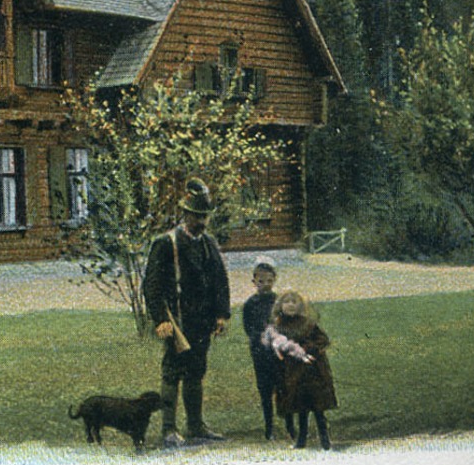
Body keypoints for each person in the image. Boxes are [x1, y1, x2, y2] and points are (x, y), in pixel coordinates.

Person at [144, 178, 232, 448]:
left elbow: (220, 281)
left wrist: (221, 315)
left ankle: (196, 426)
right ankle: (169, 428)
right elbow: (152, 285)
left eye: (205, 216)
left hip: (202, 322)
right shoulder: (166, 243)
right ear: (185, 214)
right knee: (172, 373)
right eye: (197, 216)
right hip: (177, 322)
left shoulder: (208, 244)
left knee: (196, 371)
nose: (202, 221)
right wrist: (160, 320)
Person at [267, 290, 337, 449]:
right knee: (301, 408)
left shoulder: (308, 324)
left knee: (318, 409)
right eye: (287, 302)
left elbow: (323, 340)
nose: (290, 305)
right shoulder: (279, 326)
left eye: (294, 302)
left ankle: (325, 440)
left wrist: (309, 348)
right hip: (294, 373)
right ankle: (301, 440)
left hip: (313, 372)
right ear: (280, 306)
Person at [242, 258, 294, 442]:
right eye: (261, 281)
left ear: (275, 280)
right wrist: (262, 337)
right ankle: (269, 428)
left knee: (284, 389)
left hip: (279, 353)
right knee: (265, 391)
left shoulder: (279, 302)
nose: (265, 284)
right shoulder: (250, 304)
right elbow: (248, 328)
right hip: (260, 353)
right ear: (254, 282)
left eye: (269, 281)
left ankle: (290, 426)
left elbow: (287, 324)